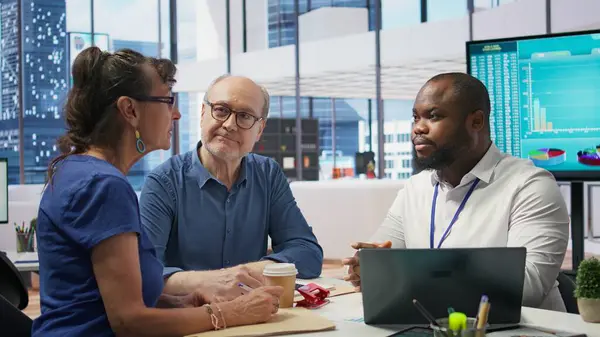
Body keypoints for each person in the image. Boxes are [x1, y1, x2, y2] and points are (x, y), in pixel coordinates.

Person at [33, 47, 283, 337]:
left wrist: (180, 303)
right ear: (130, 110)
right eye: (167, 101)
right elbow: (129, 322)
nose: (176, 114)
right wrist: (230, 313)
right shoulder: (103, 186)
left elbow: (95, 299)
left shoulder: (79, 171)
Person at [342, 72, 570, 312]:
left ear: (476, 122)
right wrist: (367, 266)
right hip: (437, 325)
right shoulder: (415, 188)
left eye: (434, 116)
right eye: (415, 117)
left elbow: (527, 289)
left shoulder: (530, 186)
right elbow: (382, 255)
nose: (419, 128)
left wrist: (415, 276)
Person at [139, 74, 323, 295]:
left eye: (244, 116)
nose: (229, 125)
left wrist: (247, 272)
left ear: (260, 130)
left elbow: (308, 253)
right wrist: (217, 282)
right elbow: (145, 273)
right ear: (202, 113)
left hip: (255, 315)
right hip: (190, 320)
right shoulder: (163, 182)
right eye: (221, 110)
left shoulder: (268, 175)